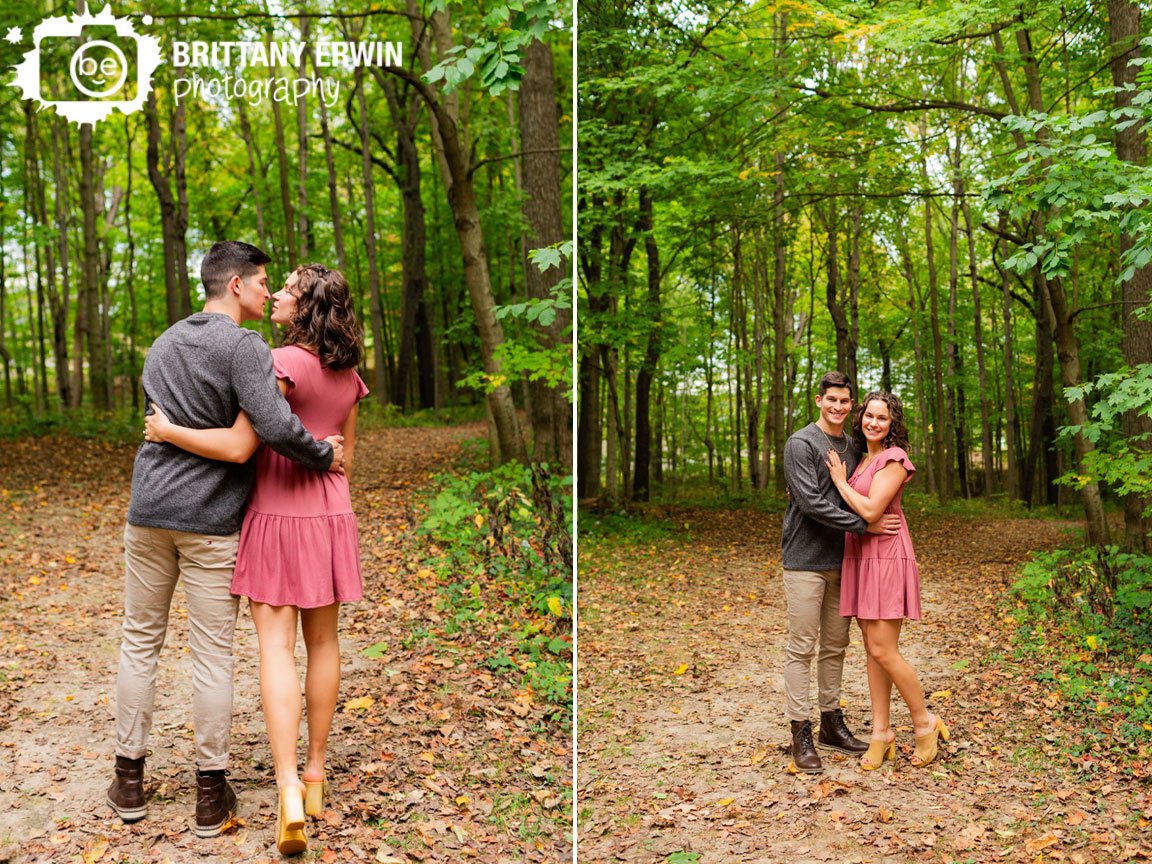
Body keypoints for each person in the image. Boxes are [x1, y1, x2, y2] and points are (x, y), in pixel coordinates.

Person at [108, 242, 344, 839]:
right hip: (211, 521)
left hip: (149, 512)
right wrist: (322, 454)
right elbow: (271, 428)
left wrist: (166, 430)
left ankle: (128, 779)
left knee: (140, 642)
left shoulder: (162, 343)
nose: (269, 292)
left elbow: (157, 424)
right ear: (235, 284)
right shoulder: (246, 347)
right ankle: (210, 796)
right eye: (263, 282)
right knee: (212, 655)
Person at [781, 371, 901, 774]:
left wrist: (870, 520)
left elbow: (867, 492)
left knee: (836, 646)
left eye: (844, 401)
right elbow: (811, 502)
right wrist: (864, 525)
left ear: (851, 405)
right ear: (818, 400)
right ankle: (801, 730)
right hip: (804, 560)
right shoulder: (801, 443)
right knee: (802, 646)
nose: (837, 406)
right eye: (830, 399)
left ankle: (832, 722)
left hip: (845, 561)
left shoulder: (854, 447)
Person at [826, 390, 949, 770]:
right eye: (869, 416)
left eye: (882, 418)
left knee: (884, 650)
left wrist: (840, 482)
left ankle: (924, 721)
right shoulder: (864, 459)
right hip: (862, 555)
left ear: (892, 424)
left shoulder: (895, 460)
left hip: (886, 557)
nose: (873, 422)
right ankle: (881, 733)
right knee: (872, 649)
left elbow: (870, 508)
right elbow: (861, 515)